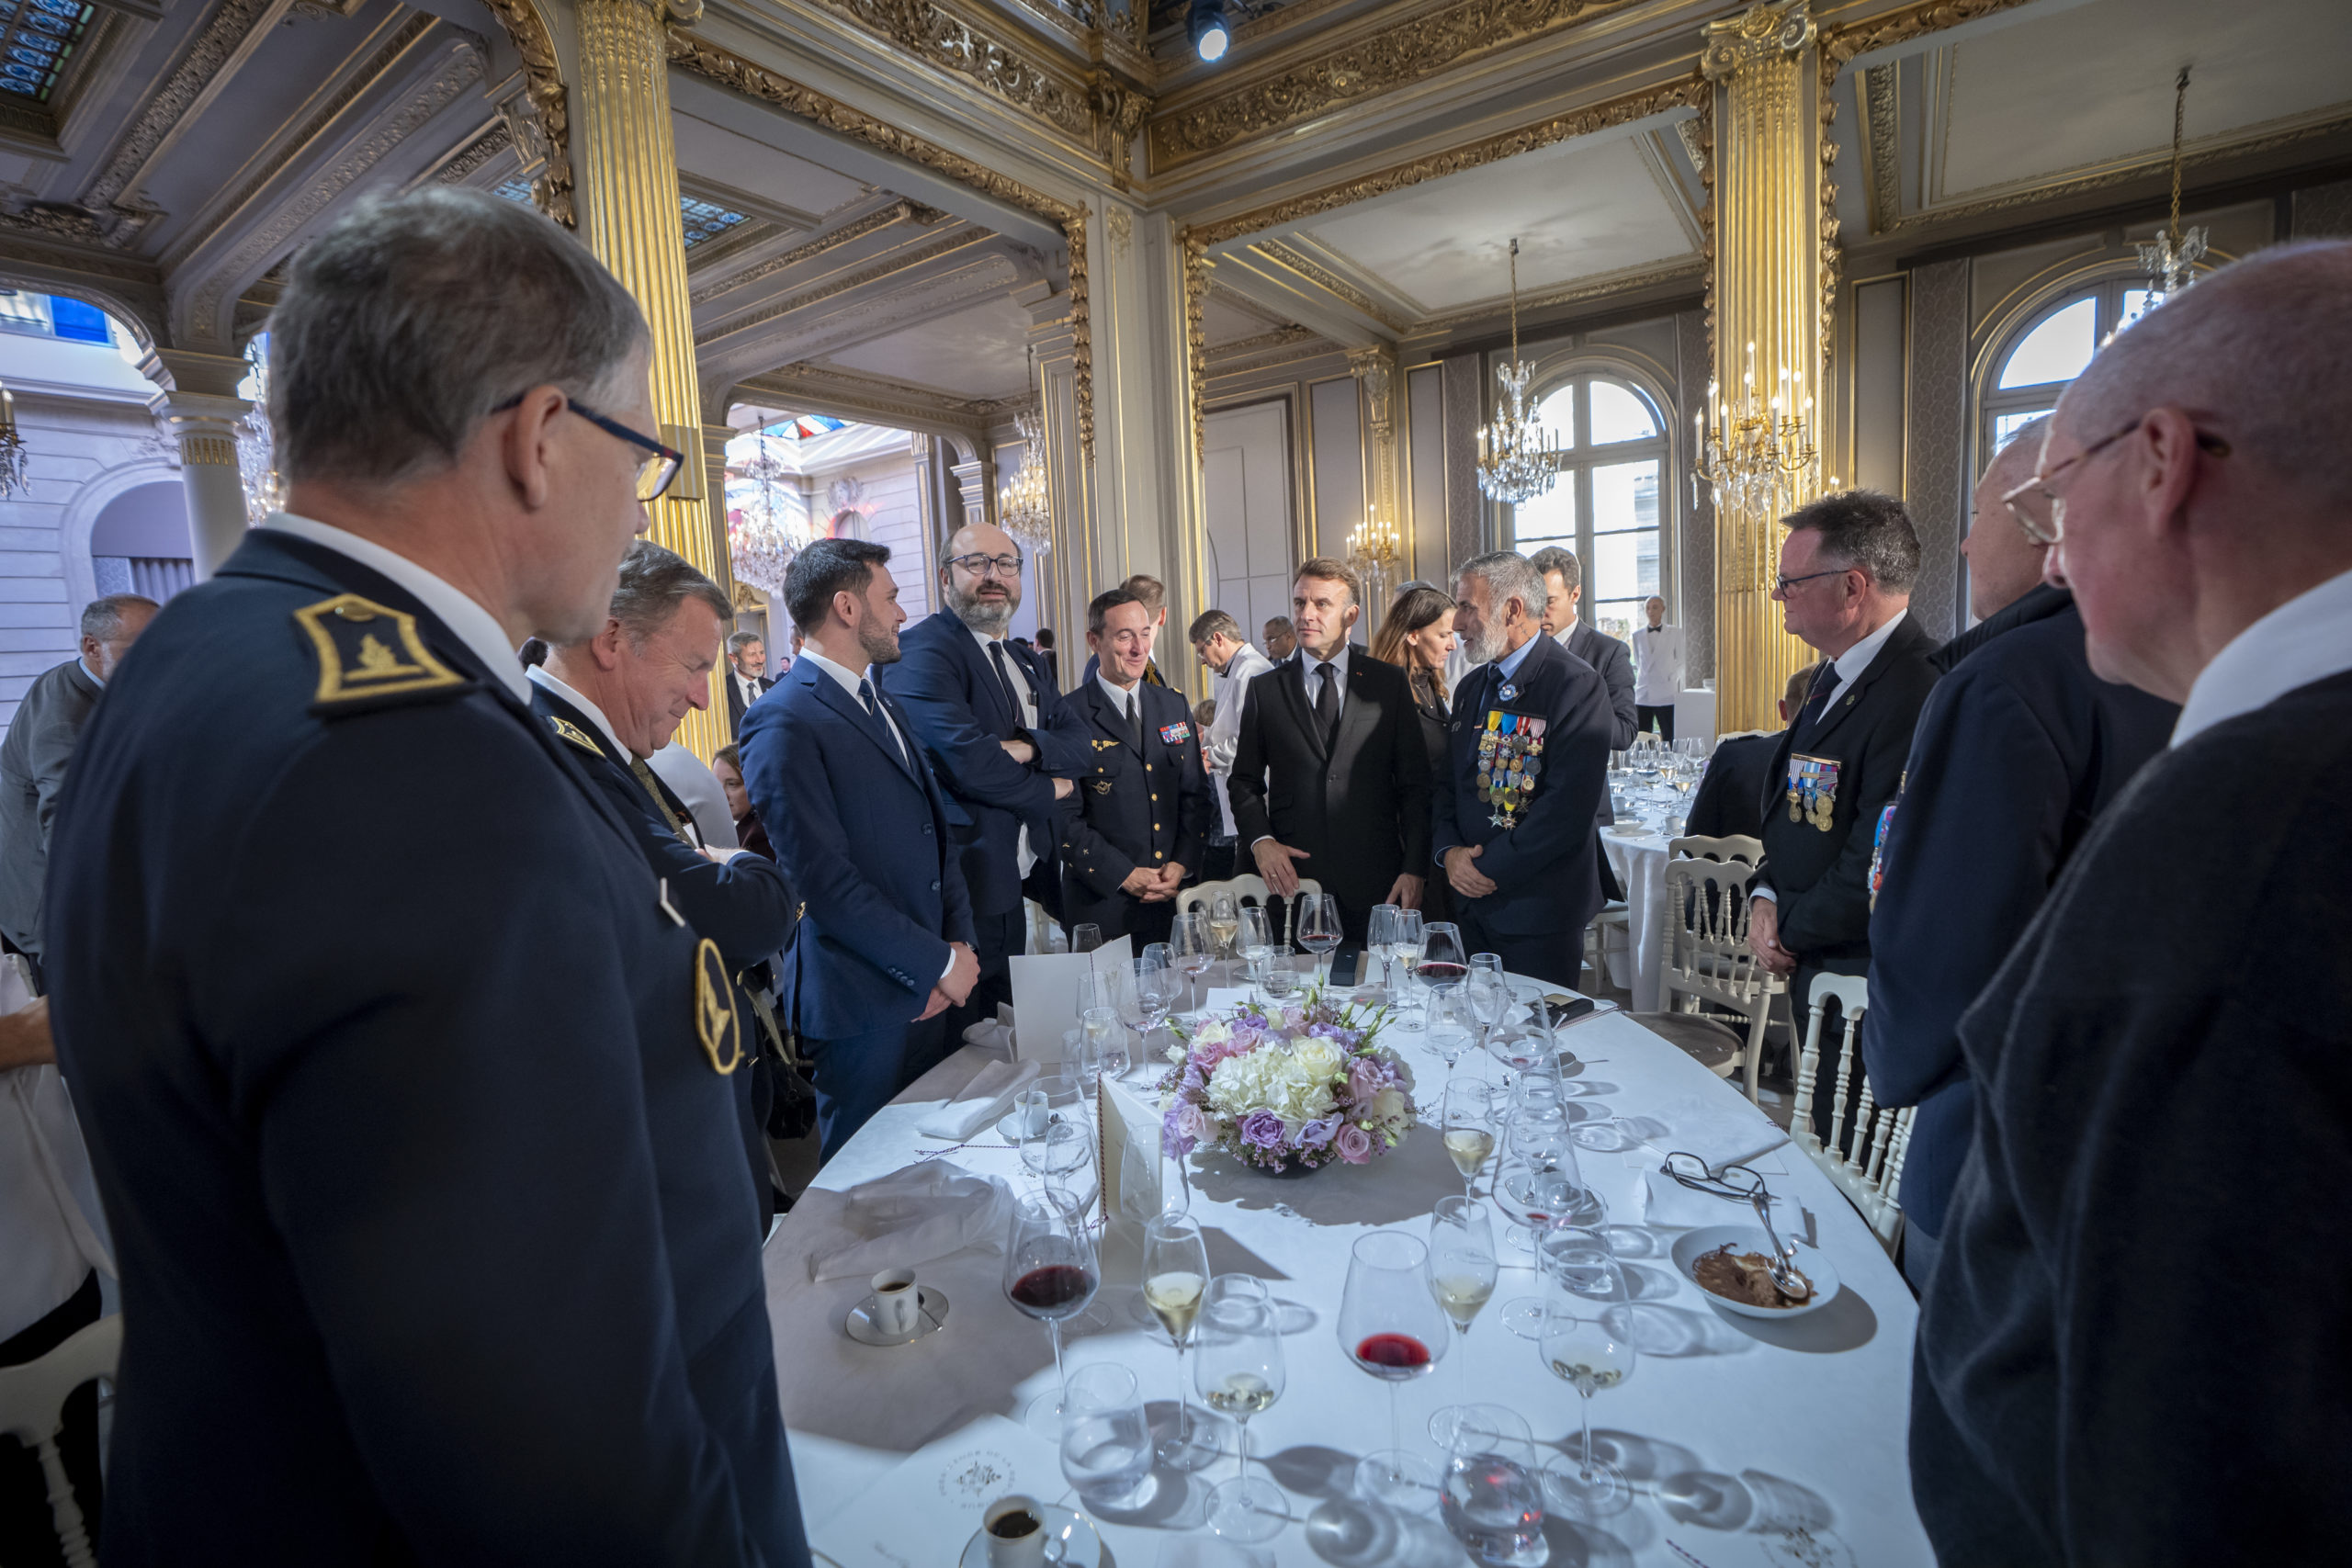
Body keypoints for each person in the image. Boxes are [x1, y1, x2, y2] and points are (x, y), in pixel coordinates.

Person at [40, 186, 808, 1562]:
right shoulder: (415, 758)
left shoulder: (202, 654)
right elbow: (540, 1430)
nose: (638, 503)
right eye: (640, 455)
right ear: (539, 439)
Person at [1912, 240, 2352, 1565]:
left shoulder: (2253, 830)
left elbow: (2195, 1452)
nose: (2051, 562)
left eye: (2057, 498)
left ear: (2162, 462)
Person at [1860, 420, 2175, 1292]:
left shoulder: (2007, 683)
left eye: (1977, 514)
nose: (1964, 543)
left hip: (1993, 1133)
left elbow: (1945, 945)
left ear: (2047, 517)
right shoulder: (2171, 658)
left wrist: (1892, 1066)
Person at [530, 540, 798, 1235]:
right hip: (660, 1148)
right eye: (694, 665)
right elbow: (744, 915)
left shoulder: (594, 744)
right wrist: (746, 866)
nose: (705, 696)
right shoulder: (562, 755)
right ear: (612, 638)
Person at [741, 537, 978, 1161]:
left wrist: (958, 947)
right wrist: (936, 962)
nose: (902, 613)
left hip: (930, 986)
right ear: (847, 607)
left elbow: (936, 835)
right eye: (891, 597)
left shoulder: (882, 700)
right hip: (862, 1002)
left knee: (930, 1174)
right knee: (866, 1191)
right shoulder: (782, 718)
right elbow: (825, 882)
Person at [880, 523, 1082, 1053]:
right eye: (976, 563)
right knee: (961, 1053)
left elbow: (1081, 744)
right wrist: (1052, 789)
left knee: (1007, 1041)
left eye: (1006, 564)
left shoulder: (1022, 658)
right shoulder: (922, 650)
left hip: (1016, 879)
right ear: (946, 576)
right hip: (960, 890)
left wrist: (1029, 747)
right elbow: (970, 763)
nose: (994, 576)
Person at [1745, 491, 1939, 1037]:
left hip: (1861, 979)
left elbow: (1877, 857)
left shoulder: (1917, 687)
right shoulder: (1833, 674)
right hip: (1818, 960)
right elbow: (1798, 814)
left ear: (1852, 587)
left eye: (1790, 582)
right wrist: (1765, 892)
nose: (1778, 595)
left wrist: (1786, 927)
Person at [1430, 551, 1613, 987]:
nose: (1457, 623)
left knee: (1534, 1028)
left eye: (1467, 607)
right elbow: (1448, 783)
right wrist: (1450, 853)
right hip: (1469, 904)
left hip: (1538, 912)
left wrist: (1485, 869)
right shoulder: (1472, 686)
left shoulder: (1575, 685)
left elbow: (1566, 811)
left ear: (1512, 609)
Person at [1227, 558, 1429, 953]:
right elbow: (1243, 781)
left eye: (1321, 604)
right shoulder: (1265, 690)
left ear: (1350, 615)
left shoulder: (1387, 683)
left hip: (1377, 881)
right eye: (1300, 602)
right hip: (1294, 883)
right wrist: (1261, 841)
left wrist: (1415, 868)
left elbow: (1416, 785)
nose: (1306, 614)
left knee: (1376, 988)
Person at [0, 593, 156, 993]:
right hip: (44, 897)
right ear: (92, 646)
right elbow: (67, 824)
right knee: (70, 1002)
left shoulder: (105, 682)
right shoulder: (63, 720)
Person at [1056, 589, 1213, 945]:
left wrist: (1181, 864)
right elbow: (1062, 817)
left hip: (1172, 900)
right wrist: (1123, 874)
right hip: (1102, 904)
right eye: (1125, 637)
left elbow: (1196, 796)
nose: (1139, 649)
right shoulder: (1068, 715)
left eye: (1144, 634)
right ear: (1094, 641)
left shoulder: (1173, 705)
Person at [1369, 582, 1458, 923]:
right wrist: (1413, 867)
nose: (1452, 644)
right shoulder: (1384, 692)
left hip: (1433, 845)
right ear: (1412, 635)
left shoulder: (1429, 683)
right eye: (1444, 634)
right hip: (1403, 856)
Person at [1683, 661, 1819, 843]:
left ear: (1782, 709)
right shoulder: (1840, 763)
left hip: (1732, 862)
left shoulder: (1730, 756)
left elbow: (1694, 838)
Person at [1190, 609, 1273, 886]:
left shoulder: (1251, 670)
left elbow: (1249, 741)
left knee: (1247, 883)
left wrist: (1208, 756)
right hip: (1241, 794)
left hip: (1256, 796)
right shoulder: (1239, 669)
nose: (1203, 661)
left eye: (1202, 651)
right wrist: (1205, 734)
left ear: (1217, 638)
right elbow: (1233, 729)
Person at [1530, 546, 1637, 749]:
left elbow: (1625, 733)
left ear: (1575, 594)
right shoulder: (1519, 650)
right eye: (1534, 601)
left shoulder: (1610, 653)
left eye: (1549, 601)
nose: (1539, 612)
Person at [1080, 572, 1170, 687]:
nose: (1138, 649)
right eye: (1124, 637)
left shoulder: (1096, 661)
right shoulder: (1122, 666)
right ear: (1163, 615)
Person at [1630, 595, 1687, 741]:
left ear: (1663, 609)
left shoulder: (1675, 632)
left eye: (1655, 607)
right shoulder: (1637, 635)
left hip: (1666, 691)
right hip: (1644, 692)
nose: (1651, 611)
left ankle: (1669, 757)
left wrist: (1671, 678)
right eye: (1648, 608)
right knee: (1642, 736)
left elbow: (1681, 661)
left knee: (1669, 735)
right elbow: (1639, 662)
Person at [713, 743, 775, 862]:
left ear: (756, 783)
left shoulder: (760, 835)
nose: (722, 796)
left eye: (732, 784)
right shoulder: (742, 829)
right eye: (716, 785)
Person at [722, 628, 774, 733]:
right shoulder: (721, 691)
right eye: (752, 654)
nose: (760, 660)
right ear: (734, 658)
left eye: (762, 653)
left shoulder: (774, 688)